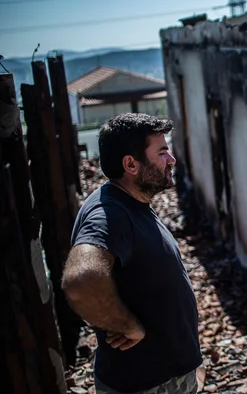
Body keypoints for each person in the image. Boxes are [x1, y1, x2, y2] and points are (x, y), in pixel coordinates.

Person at [62, 113, 202, 394]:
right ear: (131, 164)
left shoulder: (131, 203)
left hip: (169, 378)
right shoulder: (109, 214)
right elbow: (81, 280)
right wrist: (127, 326)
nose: (171, 159)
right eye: (162, 152)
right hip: (148, 385)